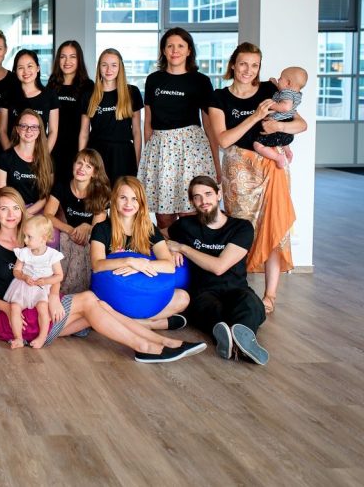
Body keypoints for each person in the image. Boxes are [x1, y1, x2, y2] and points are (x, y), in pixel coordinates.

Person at [0, 187, 206, 364]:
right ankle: (145, 347)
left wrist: (54, 296)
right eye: (4, 209)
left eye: (15, 208)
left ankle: (162, 341)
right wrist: (6, 308)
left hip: (43, 310)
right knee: (88, 299)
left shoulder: (33, 238)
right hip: (17, 317)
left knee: (101, 306)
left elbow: (52, 273)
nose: (11, 214)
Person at [207, 42, 305, 314]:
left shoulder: (270, 91)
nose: (248, 70)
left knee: (274, 228)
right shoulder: (219, 97)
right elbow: (224, 139)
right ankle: (240, 290)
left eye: (254, 65)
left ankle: (270, 295)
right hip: (239, 170)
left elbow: (300, 124)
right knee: (242, 229)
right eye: (243, 64)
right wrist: (256, 116)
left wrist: (277, 126)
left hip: (273, 166)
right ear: (233, 65)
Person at [166, 176, 269, 364]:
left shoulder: (241, 227)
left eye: (208, 194)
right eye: (197, 197)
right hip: (203, 291)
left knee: (251, 304)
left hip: (236, 288)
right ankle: (228, 337)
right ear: (192, 202)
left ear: (218, 194)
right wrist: (168, 248)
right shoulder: (185, 226)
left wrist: (183, 248)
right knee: (209, 310)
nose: (203, 201)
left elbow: (219, 267)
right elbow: (153, 234)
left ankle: (243, 338)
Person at [138, 28, 217, 231]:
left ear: (189, 50)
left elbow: (209, 125)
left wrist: (216, 165)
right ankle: (168, 251)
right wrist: (148, 158)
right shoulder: (154, 79)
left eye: (180, 46)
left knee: (191, 212)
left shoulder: (201, 81)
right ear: (163, 50)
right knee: (164, 218)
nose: (175, 50)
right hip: (161, 150)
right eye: (170, 46)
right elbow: (148, 122)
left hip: (191, 151)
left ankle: (189, 251)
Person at [90, 176, 189, 328]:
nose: (128, 204)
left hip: (143, 293)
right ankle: (153, 324)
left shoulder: (149, 229)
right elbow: (97, 265)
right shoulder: (101, 228)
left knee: (183, 298)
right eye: (123, 197)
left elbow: (169, 266)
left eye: (134, 199)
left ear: (141, 202)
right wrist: (130, 262)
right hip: (114, 296)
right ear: (114, 199)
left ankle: (138, 324)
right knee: (95, 304)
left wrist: (141, 266)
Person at [43, 149, 110, 295]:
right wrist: (69, 229)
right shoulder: (61, 186)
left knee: (85, 245)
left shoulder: (101, 192)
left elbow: (98, 226)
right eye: (79, 163)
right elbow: (47, 215)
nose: (81, 168)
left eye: (88, 166)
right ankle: (57, 288)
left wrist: (86, 226)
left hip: (92, 234)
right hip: (69, 231)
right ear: (73, 165)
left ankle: (78, 292)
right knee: (63, 239)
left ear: (95, 173)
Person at [79, 48, 143, 185]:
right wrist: (81, 161)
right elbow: (84, 133)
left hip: (123, 154)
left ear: (120, 68)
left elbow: (137, 132)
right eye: (104, 65)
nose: (109, 70)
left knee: (121, 192)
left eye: (114, 65)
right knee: (97, 194)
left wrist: (138, 161)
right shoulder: (89, 95)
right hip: (96, 154)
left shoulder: (132, 92)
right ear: (99, 67)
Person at [4, 215, 63, 349]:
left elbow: (59, 276)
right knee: (14, 307)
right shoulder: (24, 253)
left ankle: (42, 337)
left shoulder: (52, 255)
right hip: (24, 286)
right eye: (24, 236)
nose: (25, 240)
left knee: (43, 308)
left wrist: (46, 280)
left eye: (29, 237)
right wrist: (24, 277)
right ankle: (18, 338)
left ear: (43, 238)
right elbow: (16, 271)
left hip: (41, 288)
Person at [47, 40, 94, 186]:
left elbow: (85, 128)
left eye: (72, 57)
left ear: (79, 60)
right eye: (63, 57)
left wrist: (81, 157)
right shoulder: (52, 84)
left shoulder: (88, 86)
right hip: (53, 145)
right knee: (52, 189)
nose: (67, 61)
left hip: (76, 146)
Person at [0, 109, 54, 214]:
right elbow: (1, 193)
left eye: (34, 127)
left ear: (39, 131)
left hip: (37, 211)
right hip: (11, 210)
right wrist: (17, 212)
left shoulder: (47, 160)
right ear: (17, 129)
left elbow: (46, 196)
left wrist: (27, 213)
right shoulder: (5, 158)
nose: (29, 130)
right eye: (24, 126)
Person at [0, 49, 59, 152]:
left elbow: (53, 131)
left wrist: (43, 156)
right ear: (15, 71)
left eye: (30, 66)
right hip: (12, 154)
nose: (25, 71)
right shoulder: (7, 95)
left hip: (40, 154)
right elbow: (2, 130)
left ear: (38, 68)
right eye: (20, 68)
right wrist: (11, 156)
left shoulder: (50, 95)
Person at [253, 66, 308, 169]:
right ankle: (288, 152)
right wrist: (275, 84)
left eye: (280, 78)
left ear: (288, 83)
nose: (278, 79)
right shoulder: (294, 93)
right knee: (282, 141)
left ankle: (278, 157)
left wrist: (271, 104)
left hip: (277, 126)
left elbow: (285, 107)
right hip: (287, 129)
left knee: (257, 145)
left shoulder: (287, 93)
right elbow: (283, 93)